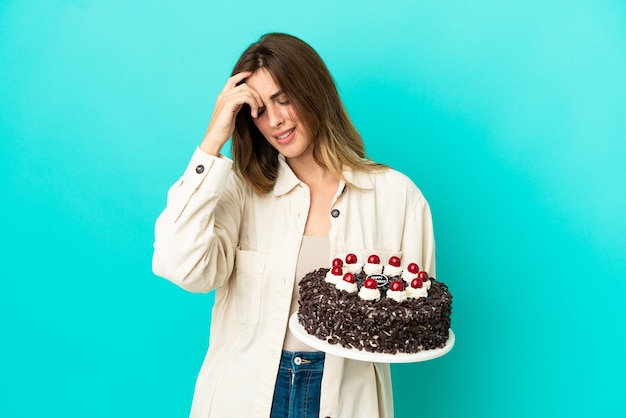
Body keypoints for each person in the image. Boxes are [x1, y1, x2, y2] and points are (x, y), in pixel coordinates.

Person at [152, 32, 435, 418]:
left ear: (315, 92)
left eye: (284, 99)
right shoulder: (238, 191)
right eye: (259, 109)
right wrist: (212, 143)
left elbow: (410, 319)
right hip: (246, 395)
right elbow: (180, 266)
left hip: (346, 398)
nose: (276, 120)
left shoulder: (397, 197)